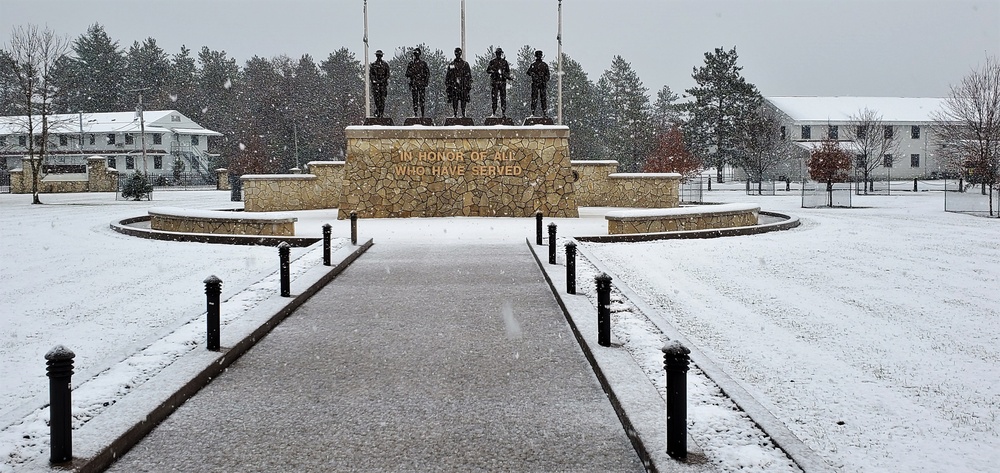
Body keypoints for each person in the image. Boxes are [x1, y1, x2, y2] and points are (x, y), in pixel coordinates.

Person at [445, 47, 472, 118]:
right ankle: (455, 114)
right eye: (456, 53)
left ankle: (463, 114)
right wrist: (448, 85)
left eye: (459, 53)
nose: (457, 54)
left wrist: (468, 85)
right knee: (455, 101)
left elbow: (469, 76)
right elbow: (448, 76)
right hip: (454, 86)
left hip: (463, 86)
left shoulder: (465, 64)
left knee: (463, 101)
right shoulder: (451, 64)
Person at [485, 47, 512, 117]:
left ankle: (503, 112)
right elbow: (488, 70)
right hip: (495, 82)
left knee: (503, 98)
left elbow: (508, 72)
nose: (499, 55)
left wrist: (505, 75)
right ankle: (494, 112)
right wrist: (494, 72)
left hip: (502, 82)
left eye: (500, 53)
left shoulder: (504, 62)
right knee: (494, 98)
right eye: (498, 53)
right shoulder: (492, 62)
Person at [405, 48, 430, 117]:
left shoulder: (423, 63)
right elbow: (407, 74)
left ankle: (422, 114)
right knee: (415, 100)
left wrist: (425, 82)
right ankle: (415, 114)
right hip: (414, 84)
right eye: (415, 54)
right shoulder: (411, 63)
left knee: (422, 100)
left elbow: (427, 73)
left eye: (417, 54)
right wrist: (412, 74)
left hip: (421, 84)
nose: (416, 55)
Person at [526, 50, 550, 117]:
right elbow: (528, 72)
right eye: (538, 55)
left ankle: (544, 113)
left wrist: (544, 79)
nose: (539, 56)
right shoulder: (534, 65)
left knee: (542, 99)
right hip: (536, 83)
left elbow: (548, 76)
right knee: (535, 99)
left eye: (540, 55)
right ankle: (533, 113)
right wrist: (534, 75)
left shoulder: (544, 65)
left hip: (541, 83)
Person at [369, 50, 390, 118]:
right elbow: (371, 75)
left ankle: (381, 113)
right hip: (376, 86)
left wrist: (382, 80)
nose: (379, 57)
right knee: (377, 100)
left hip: (383, 85)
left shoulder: (385, 65)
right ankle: (378, 111)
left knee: (382, 100)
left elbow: (388, 74)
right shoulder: (373, 65)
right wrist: (375, 81)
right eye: (377, 55)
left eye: (380, 55)